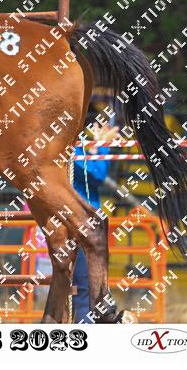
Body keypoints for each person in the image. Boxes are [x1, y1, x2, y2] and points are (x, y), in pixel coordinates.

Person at [71, 104, 119, 322]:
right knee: (84, 288)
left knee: (89, 288)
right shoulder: (72, 151)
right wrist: (100, 147)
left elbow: (96, 175)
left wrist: (99, 148)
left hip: (89, 225)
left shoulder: (85, 150)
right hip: (78, 224)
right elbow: (96, 174)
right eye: (98, 126)